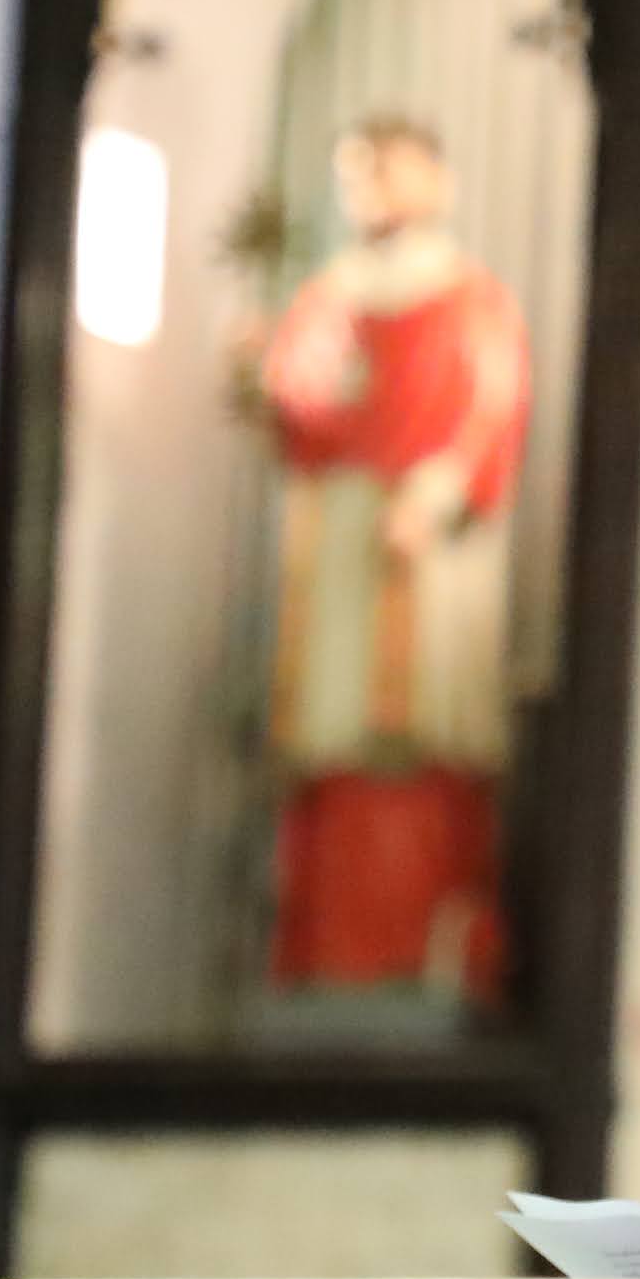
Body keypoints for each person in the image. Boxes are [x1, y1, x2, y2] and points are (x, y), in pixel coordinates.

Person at [250, 112, 533, 1003]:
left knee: (427, 735)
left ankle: (434, 952)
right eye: (359, 171)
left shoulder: (474, 297)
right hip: (344, 535)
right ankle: (328, 954)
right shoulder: (333, 294)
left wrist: (437, 492)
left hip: (431, 537)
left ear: (436, 179)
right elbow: (300, 387)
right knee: (338, 736)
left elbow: (494, 403)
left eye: (391, 168)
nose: (373, 187)